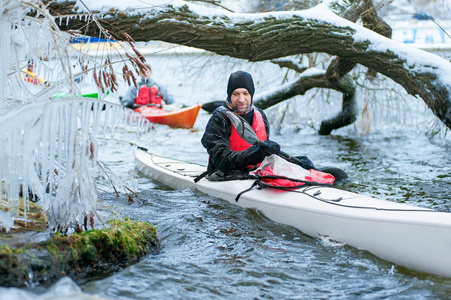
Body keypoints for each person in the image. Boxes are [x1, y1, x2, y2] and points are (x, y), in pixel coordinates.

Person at [201, 71, 281, 177]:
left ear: (251, 94)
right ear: (229, 95)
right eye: (236, 94)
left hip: (255, 175)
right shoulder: (219, 118)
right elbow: (221, 159)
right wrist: (253, 155)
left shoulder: (260, 115)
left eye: (245, 93)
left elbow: (264, 154)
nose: (241, 99)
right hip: (223, 176)